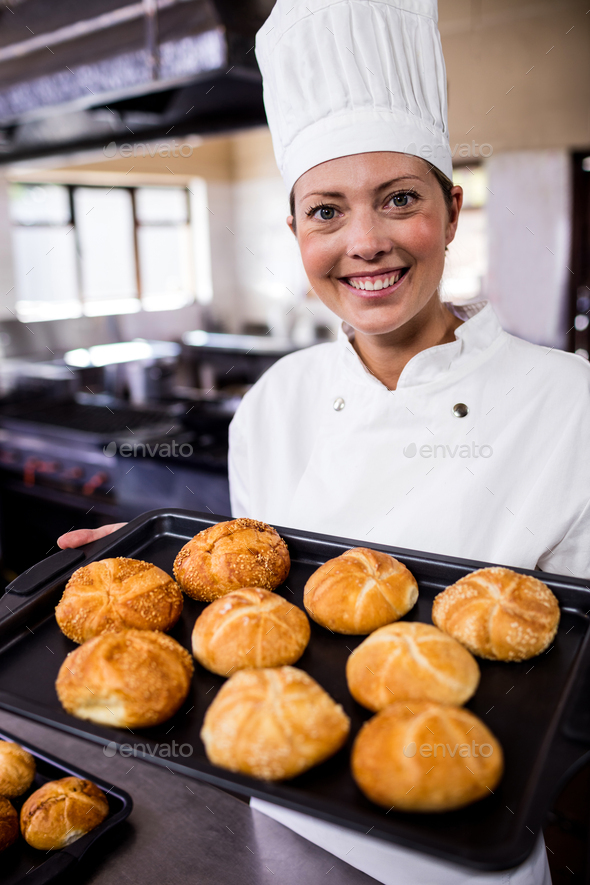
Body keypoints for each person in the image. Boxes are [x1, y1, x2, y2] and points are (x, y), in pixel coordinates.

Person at [60, 0, 590, 881]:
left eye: (399, 199)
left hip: (463, 839)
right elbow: (257, 605)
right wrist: (146, 573)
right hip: (280, 795)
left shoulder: (570, 401)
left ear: (453, 211)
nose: (366, 242)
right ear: (297, 231)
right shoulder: (275, 400)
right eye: (326, 212)